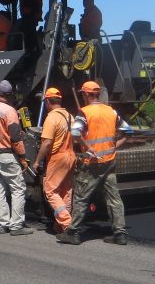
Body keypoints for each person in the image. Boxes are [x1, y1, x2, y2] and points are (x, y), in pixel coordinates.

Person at [56, 80, 132, 246]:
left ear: (85, 94)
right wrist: (113, 148)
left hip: (92, 163)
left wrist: (89, 147)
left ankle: (73, 232)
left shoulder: (84, 112)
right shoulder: (111, 111)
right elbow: (128, 131)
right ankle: (120, 233)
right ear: (97, 94)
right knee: (114, 198)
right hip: (109, 162)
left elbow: (75, 133)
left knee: (81, 197)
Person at [0, 80, 33, 236]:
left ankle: (2, 224)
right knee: (18, 188)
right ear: (10, 95)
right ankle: (16, 225)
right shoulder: (10, 111)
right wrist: (23, 157)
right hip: (6, 154)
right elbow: (16, 137)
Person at [32, 87, 75, 233]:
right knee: (65, 191)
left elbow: (47, 143)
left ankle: (68, 224)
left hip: (57, 157)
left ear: (47, 102)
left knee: (50, 191)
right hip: (70, 156)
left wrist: (37, 161)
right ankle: (60, 225)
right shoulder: (69, 116)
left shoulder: (51, 118)